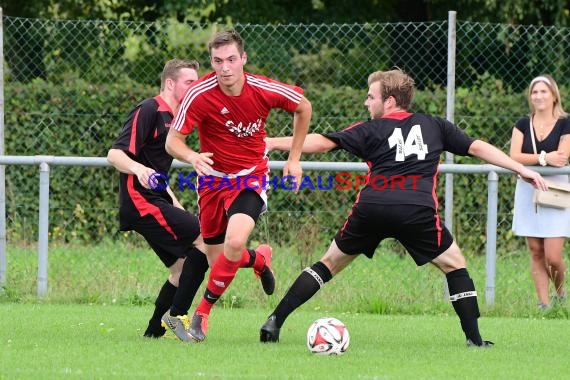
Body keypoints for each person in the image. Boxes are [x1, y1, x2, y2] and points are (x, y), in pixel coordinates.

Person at [259, 68, 548, 348]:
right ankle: (474, 339)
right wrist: (519, 169)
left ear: (390, 101)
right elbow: (477, 147)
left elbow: (321, 143)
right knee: (455, 264)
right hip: (415, 210)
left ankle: (275, 320)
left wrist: (273, 142)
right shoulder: (434, 125)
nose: (366, 102)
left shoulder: (370, 129)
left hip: (372, 207)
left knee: (329, 263)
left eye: (371, 97)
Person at [165, 29, 312, 342]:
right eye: (218, 61)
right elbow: (172, 141)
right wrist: (191, 155)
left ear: (243, 59)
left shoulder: (261, 88)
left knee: (234, 243)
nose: (225, 67)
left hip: (250, 177)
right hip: (211, 183)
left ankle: (202, 314)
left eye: (232, 59)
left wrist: (295, 158)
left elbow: (304, 107)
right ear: (212, 62)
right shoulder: (199, 94)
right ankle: (258, 259)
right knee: (219, 257)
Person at [107, 58, 209, 339]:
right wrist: (138, 170)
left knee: (181, 268)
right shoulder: (149, 109)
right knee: (205, 237)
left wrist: (175, 204)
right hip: (140, 202)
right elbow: (114, 154)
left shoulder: (176, 120)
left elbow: (158, 171)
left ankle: (153, 333)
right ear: (170, 83)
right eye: (190, 82)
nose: (194, 87)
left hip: (156, 201)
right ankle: (176, 316)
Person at [510, 74, 569, 310]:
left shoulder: (566, 123)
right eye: (535, 92)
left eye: (544, 91)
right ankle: (543, 304)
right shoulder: (523, 124)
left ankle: (560, 294)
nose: (538, 96)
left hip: (557, 191)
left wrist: (534, 162)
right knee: (536, 251)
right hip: (528, 190)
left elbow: (562, 158)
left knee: (553, 256)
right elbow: (514, 156)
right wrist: (545, 157)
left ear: (554, 95)